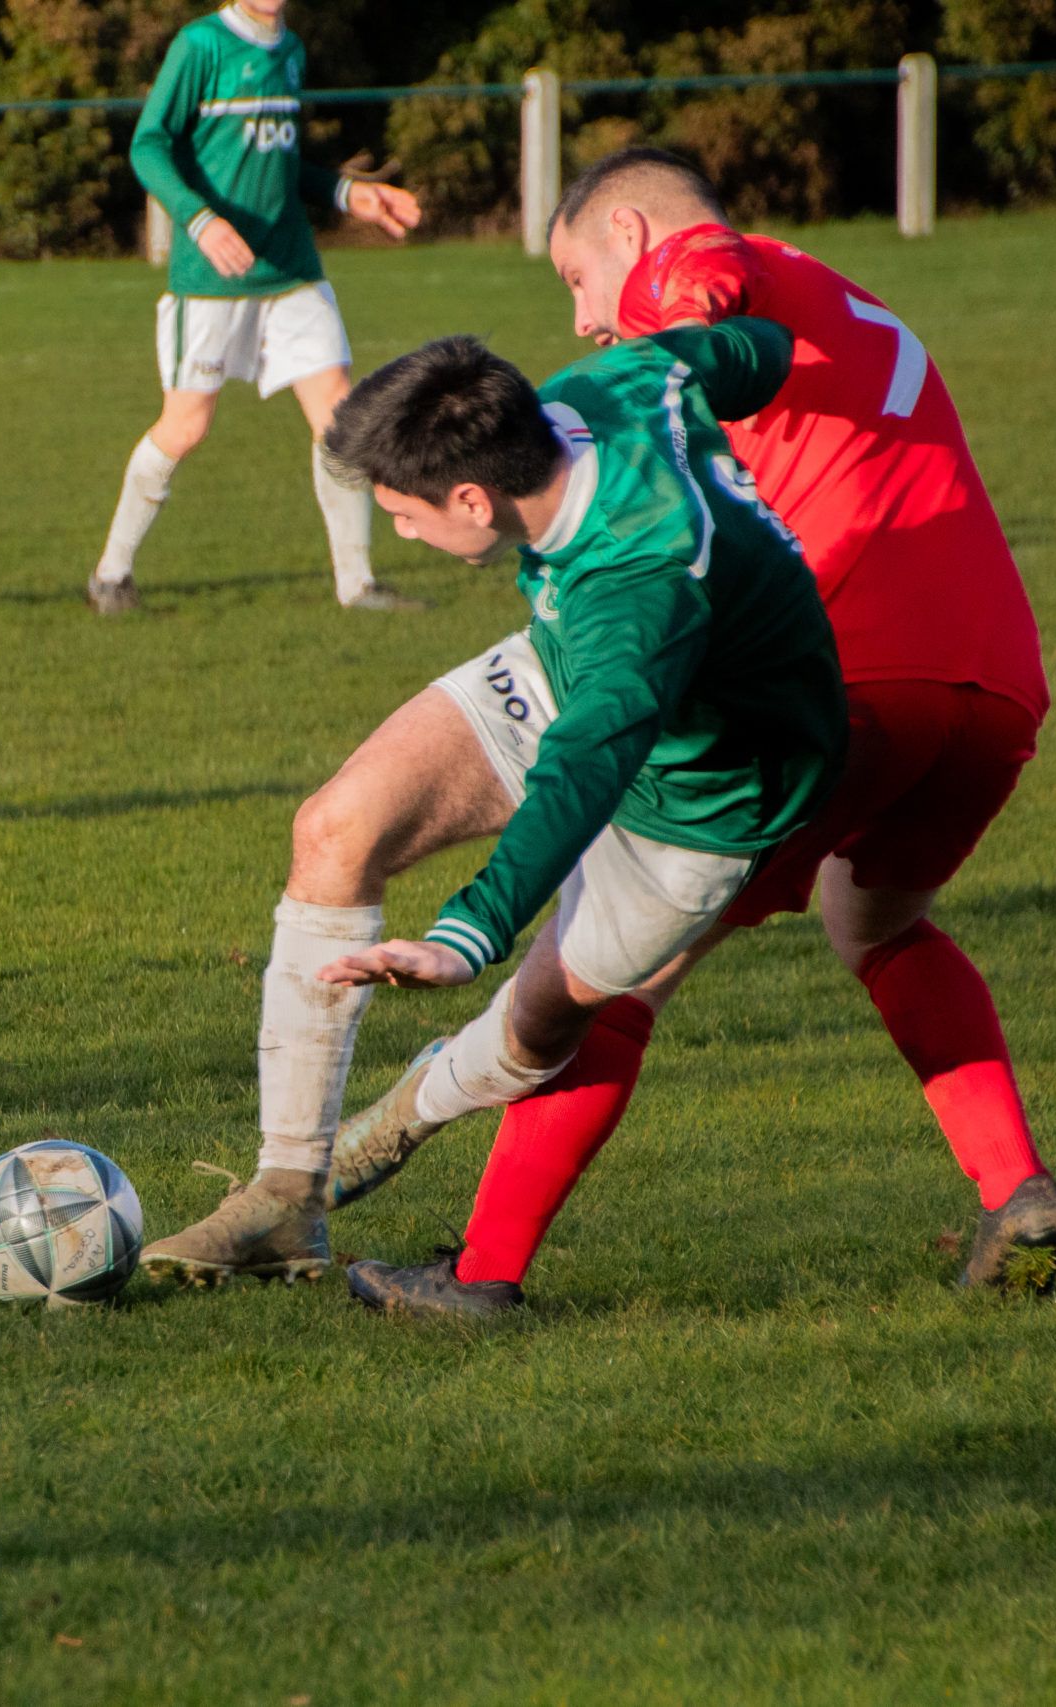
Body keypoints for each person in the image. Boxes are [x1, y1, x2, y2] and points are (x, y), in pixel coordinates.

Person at [326, 148, 1056, 1304]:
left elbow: (704, 274)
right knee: (875, 926)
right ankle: (1016, 1190)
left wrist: (671, 306)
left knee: (611, 976)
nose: (582, 320)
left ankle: (481, 1277)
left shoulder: (700, 275)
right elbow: (741, 340)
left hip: (845, 684)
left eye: (578, 279)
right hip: (990, 682)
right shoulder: (822, 289)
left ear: (631, 235)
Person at [140, 327, 846, 1310]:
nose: (400, 534)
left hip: (706, 797)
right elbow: (754, 348)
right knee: (334, 829)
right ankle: (287, 1195)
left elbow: (584, 771)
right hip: (569, 664)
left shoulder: (639, 583)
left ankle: (409, 1111)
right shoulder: (622, 376)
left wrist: (466, 931)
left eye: (403, 513)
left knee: (541, 1020)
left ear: (472, 500)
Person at [87, 0, 425, 615]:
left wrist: (348, 193)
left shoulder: (290, 50)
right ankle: (112, 575)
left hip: (291, 269)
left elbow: (282, 165)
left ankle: (357, 585)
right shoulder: (200, 46)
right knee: (186, 428)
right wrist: (200, 220)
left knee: (340, 416)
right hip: (212, 280)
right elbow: (148, 146)